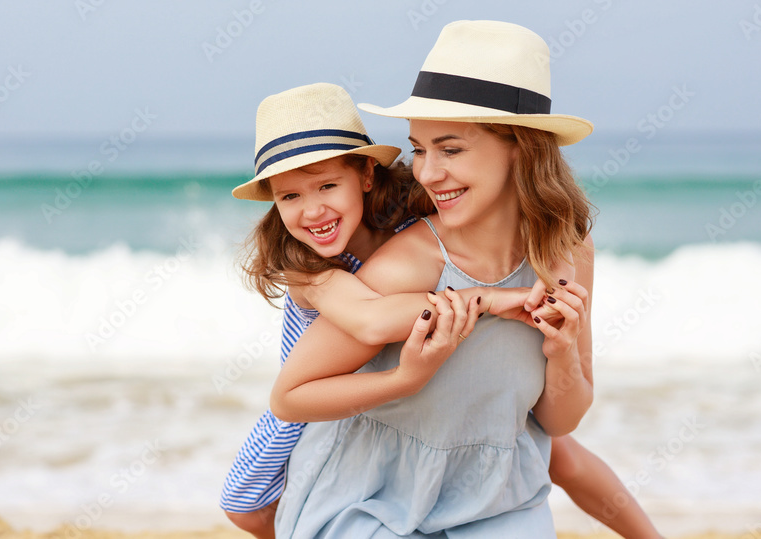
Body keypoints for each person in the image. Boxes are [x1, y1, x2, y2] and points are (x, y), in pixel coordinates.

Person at [271, 21, 661, 537]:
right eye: (419, 150)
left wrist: (561, 351)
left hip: (497, 500)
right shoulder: (405, 266)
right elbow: (290, 394)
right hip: (373, 502)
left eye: (450, 150)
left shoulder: (568, 251)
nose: (428, 174)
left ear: (521, 147)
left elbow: (561, 423)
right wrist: (405, 378)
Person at [220, 82, 561, 539]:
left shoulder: (405, 223)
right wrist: (485, 299)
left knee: (563, 452)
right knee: (243, 506)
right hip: (318, 402)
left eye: (326, 185)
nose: (312, 210)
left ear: (365, 177)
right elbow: (373, 319)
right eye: (290, 196)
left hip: (420, 413)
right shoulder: (304, 266)